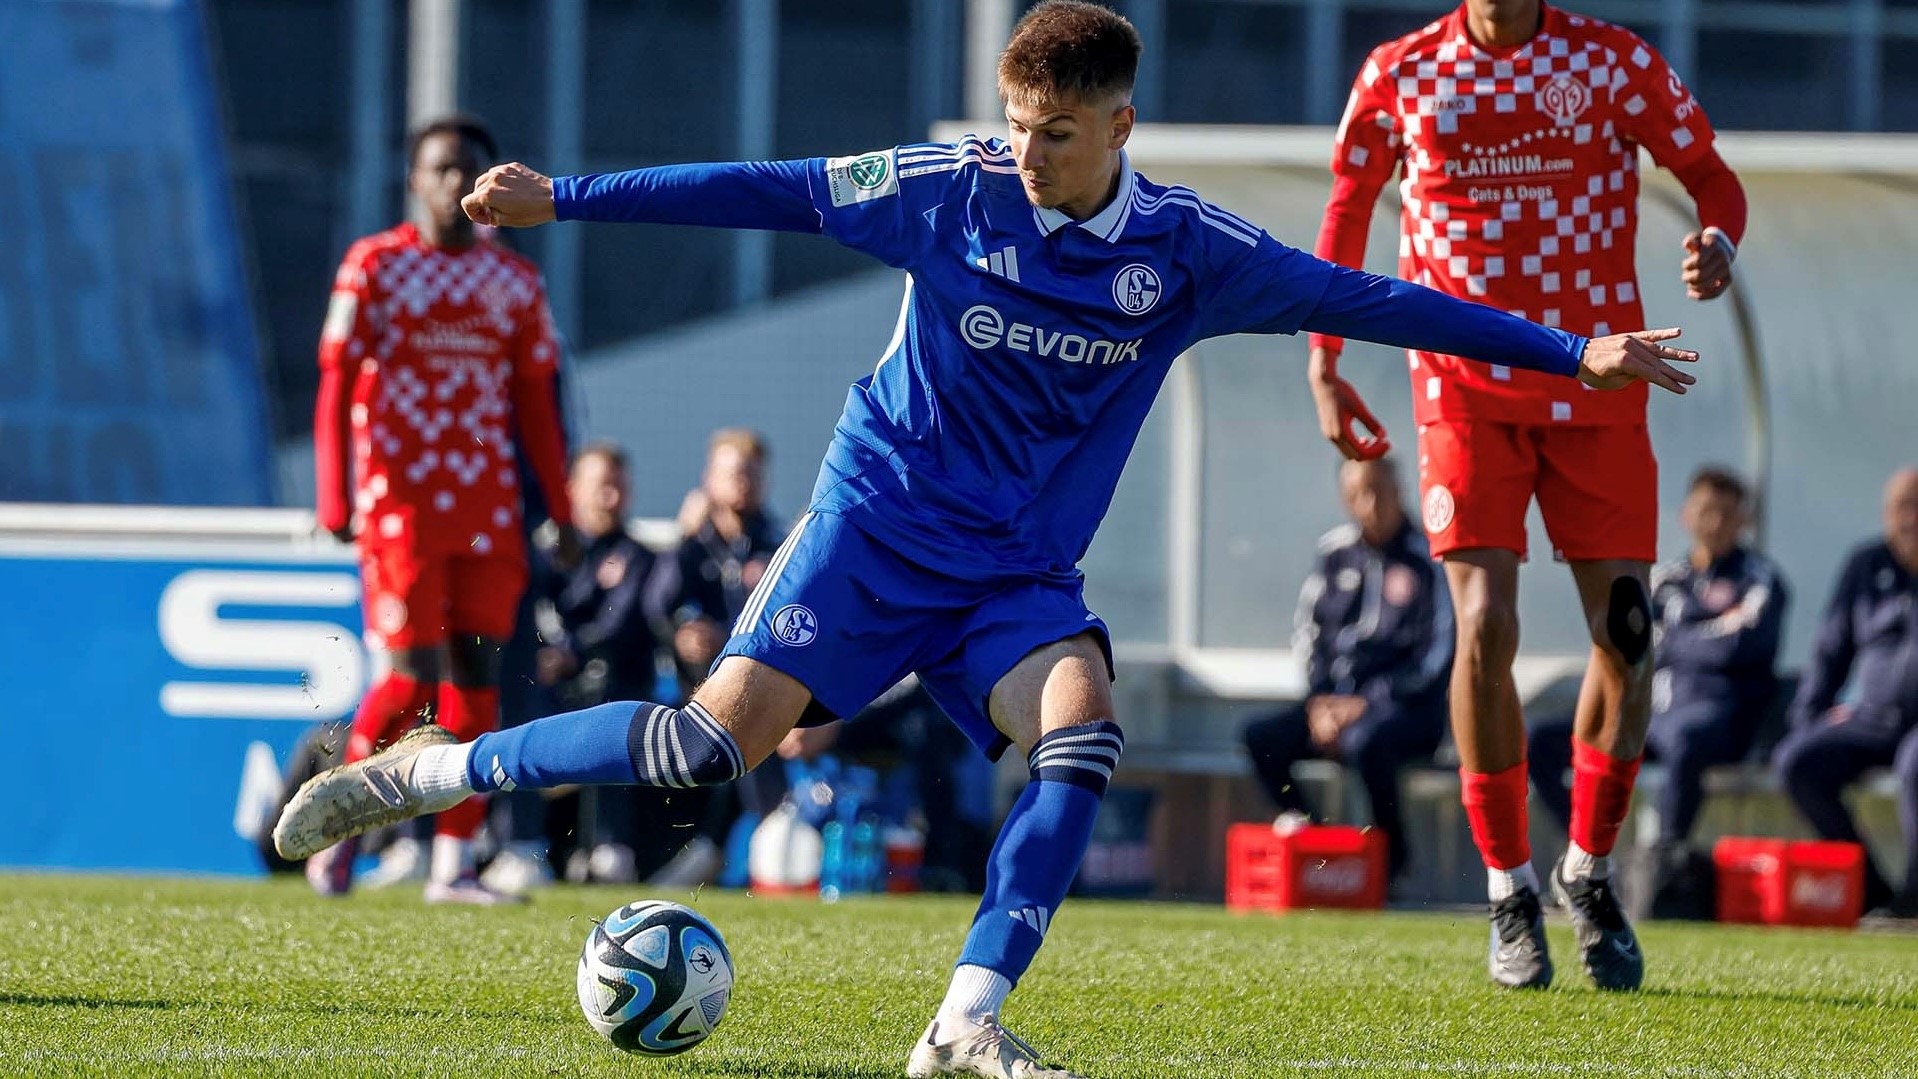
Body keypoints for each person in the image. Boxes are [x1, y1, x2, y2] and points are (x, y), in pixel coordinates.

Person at [276, 5, 1698, 1073]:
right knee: (696, 755)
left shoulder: (1188, 252)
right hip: (872, 531)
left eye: (1055, 132)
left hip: (1012, 576)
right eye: (1014, 122)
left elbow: (1373, 297)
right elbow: (763, 186)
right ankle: (423, 770)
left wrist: (1567, 349)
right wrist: (563, 199)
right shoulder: (945, 186)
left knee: (1081, 725)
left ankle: (965, 1020)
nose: (1025, 153)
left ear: (1118, 126)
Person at [1308, 0, 1747, 989]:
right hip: (1460, 388)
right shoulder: (1396, 71)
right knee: (1484, 625)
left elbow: (1710, 177)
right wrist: (1325, 358)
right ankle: (1508, 887)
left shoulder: (1612, 60)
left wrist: (1720, 238)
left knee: (1630, 637)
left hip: (1599, 381)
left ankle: (1585, 870)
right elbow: (1345, 208)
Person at [309, 114, 573, 904]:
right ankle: (335, 834)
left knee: (479, 676)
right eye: (443, 168)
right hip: (401, 502)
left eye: (473, 170)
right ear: (416, 181)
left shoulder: (516, 282)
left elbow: (537, 401)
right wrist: (334, 493)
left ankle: (454, 863)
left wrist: (558, 507)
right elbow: (334, 377)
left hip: (488, 504)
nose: (458, 182)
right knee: (408, 678)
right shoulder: (375, 266)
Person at [1530, 466, 1786, 851]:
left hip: (1717, 718)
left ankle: (1663, 861)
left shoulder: (1760, 578)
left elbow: (1742, 646)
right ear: (1687, 515)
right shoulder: (1665, 579)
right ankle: (1585, 849)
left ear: (1744, 520)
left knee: (1685, 741)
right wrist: (1710, 631)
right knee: (1541, 740)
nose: (1716, 523)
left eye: (1728, 514)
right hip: (1650, 715)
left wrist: (1675, 636)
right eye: (1706, 511)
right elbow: (1631, 642)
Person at [1242, 457, 1451, 885]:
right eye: (1358, 494)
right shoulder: (1335, 554)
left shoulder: (1428, 560)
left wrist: (1366, 704)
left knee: (1368, 742)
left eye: (1378, 491)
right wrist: (1321, 701)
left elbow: (1435, 654)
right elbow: (1308, 633)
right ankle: (1312, 837)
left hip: (1407, 711)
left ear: (1399, 492)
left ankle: (1390, 860)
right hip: (1332, 707)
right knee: (1260, 738)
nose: (1370, 503)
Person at [483, 443, 663, 893]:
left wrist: (571, 653)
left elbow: (620, 623)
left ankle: (609, 846)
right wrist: (542, 655)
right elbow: (528, 613)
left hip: (606, 685)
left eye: (619, 487)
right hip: (546, 687)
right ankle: (517, 845)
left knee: (618, 710)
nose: (611, 498)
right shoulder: (541, 552)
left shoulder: (637, 555)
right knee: (513, 709)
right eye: (602, 486)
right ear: (572, 490)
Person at [1774, 468, 1918, 919]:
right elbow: (1831, 649)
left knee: (1916, 767)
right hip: (1873, 717)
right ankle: (1871, 887)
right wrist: (1810, 716)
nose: (1910, 519)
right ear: (1886, 515)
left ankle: (1915, 895)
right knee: (1797, 761)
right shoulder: (1866, 563)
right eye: (1901, 508)